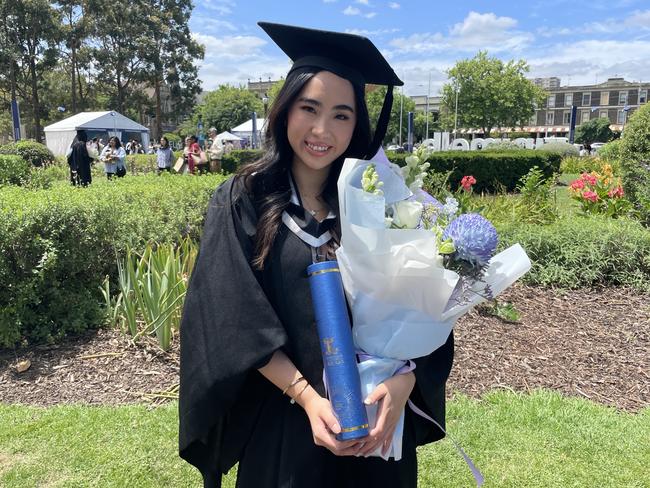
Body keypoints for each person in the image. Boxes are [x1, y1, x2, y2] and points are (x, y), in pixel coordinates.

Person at [178, 22, 454, 488]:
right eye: (310, 108)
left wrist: (401, 384)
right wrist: (309, 399)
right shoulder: (242, 199)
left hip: (377, 430)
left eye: (342, 115)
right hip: (286, 429)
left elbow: (428, 307)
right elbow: (231, 316)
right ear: (285, 111)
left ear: (358, 125)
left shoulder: (382, 203)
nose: (322, 129)